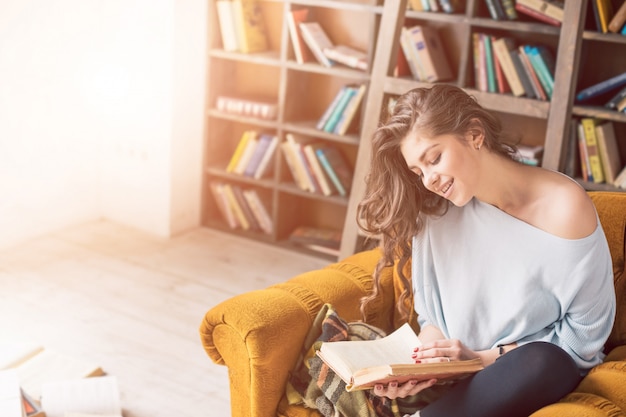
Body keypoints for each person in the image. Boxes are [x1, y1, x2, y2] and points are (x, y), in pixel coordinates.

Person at [356, 84, 616, 417]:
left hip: (523, 372)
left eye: (434, 159)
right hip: (459, 379)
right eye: (418, 172)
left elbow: (583, 339)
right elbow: (433, 317)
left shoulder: (564, 208)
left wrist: (478, 358)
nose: (429, 180)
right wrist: (420, 364)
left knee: (544, 361)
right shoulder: (436, 212)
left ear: (474, 134)